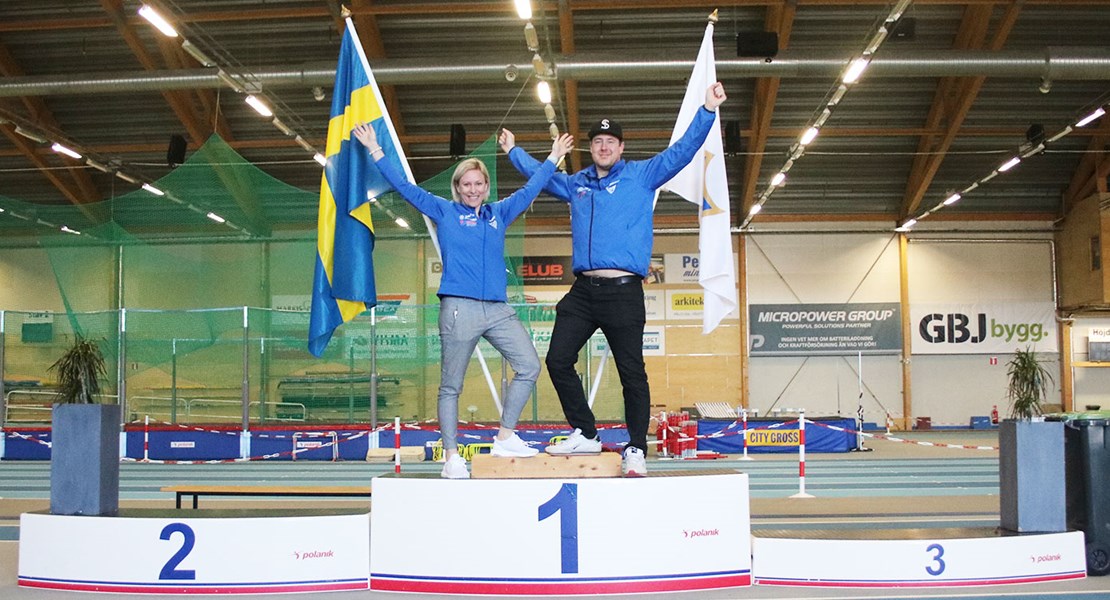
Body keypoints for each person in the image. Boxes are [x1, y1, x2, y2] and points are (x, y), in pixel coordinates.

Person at [499, 82, 728, 476]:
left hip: (624, 292)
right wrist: (512, 151)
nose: (604, 147)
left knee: (631, 372)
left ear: (621, 148)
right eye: (598, 142)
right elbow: (540, 176)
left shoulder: (643, 175)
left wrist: (707, 109)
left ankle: (636, 448)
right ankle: (586, 432)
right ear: (591, 148)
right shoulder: (577, 184)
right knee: (557, 359)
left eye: (611, 141)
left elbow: (683, 151)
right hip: (584, 291)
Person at [353, 123, 574, 479]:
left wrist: (553, 157)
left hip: (499, 310)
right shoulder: (444, 212)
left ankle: (505, 435)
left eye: (478, 184)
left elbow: (531, 187)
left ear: (486, 187)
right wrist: (376, 149)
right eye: (466, 184)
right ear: (457, 188)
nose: (473, 189)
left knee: (530, 365)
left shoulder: (499, 213)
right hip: (459, 308)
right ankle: (452, 457)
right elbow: (404, 187)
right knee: (451, 385)